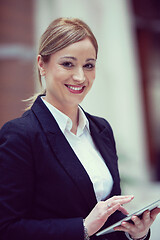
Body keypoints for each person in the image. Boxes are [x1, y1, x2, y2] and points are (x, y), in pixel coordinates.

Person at [0, 17, 159, 240]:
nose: (80, 77)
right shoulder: (20, 136)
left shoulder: (101, 129)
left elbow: (109, 217)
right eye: (68, 64)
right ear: (41, 65)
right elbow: (7, 229)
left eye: (89, 65)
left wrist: (137, 234)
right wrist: (82, 228)